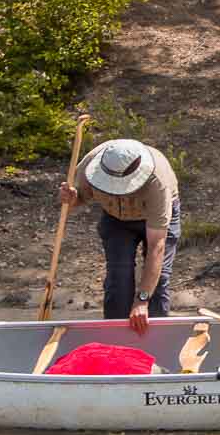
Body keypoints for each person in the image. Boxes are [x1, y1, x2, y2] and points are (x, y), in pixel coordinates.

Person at [58, 138, 182, 334]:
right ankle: (115, 341)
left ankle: (157, 343)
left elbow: (157, 245)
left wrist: (142, 300)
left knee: (156, 286)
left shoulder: (157, 182)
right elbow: (80, 197)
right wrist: (72, 199)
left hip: (153, 216)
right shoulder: (89, 166)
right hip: (115, 218)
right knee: (118, 279)